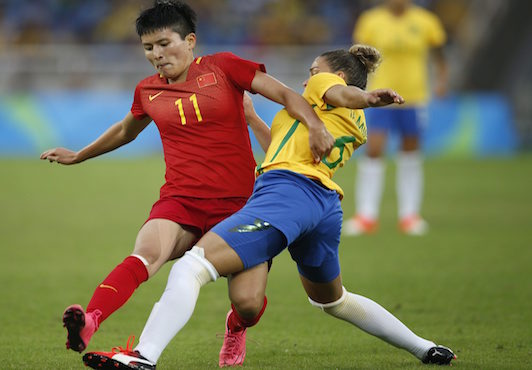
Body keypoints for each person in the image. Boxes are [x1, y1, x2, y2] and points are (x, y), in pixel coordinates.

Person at [82, 45, 456, 370]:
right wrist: (252, 118)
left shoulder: (329, 90)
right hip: (323, 205)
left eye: (313, 71)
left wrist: (370, 97)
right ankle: (425, 348)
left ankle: (143, 356)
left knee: (191, 266)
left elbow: (343, 93)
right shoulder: (344, 122)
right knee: (334, 301)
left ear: (336, 75)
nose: (308, 79)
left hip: (287, 194)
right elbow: (279, 150)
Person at [40, 0, 334, 363]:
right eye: (148, 48)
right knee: (145, 254)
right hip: (181, 201)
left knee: (247, 303)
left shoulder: (225, 67)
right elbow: (124, 131)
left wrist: (315, 125)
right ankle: (91, 319)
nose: (157, 55)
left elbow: (288, 96)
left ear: (190, 40)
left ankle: (236, 327)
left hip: (242, 207)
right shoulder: (147, 91)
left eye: (165, 44)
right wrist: (79, 154)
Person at [343, 0, 448, 236]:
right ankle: (366, 215)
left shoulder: (426, 21)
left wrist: (442, 80)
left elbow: (439, 53)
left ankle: (409, 216)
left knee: (410, 153)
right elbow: (357, 58)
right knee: (374, 151)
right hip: (380, 97)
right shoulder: (370, 21)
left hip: (414, 97)